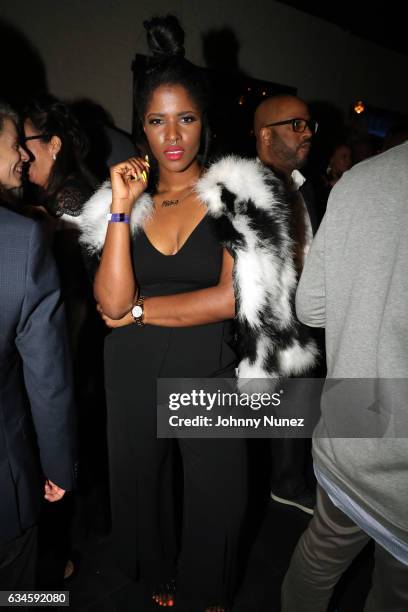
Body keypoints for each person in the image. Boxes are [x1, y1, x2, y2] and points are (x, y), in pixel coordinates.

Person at [80, 15, 316, 611]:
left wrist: (137, 313)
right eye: (157, 121)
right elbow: (106, 301)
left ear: (204, 119)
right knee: (141, 488)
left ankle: (208, 587)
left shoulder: (236, 191)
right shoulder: (124, 200)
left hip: (204, 368)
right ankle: (159, 575)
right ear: (142, 126)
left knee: (220, 494)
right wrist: (117, 211)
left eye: (185, 117)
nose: (172, 136)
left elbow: (231, 299)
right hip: (130, 370)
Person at [282, 142, 408, 611]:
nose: (305, 137)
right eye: (294, 126)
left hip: (348, 433)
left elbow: (311, 305)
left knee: (317, 559)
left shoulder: (361, 179)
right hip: (396, 468)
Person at [0, 101, 77, 588]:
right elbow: (48, 381)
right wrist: (58, 465)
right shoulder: (20, 240)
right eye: (14, 144)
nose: (23, 156)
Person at [254, 94, 321, 515]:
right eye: (296, 124)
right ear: (266, 134)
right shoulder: (243, 185)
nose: (308, 132)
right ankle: (284, 481)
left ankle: (289, 476)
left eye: (309, 124)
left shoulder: (306, 187)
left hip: (306, 317)